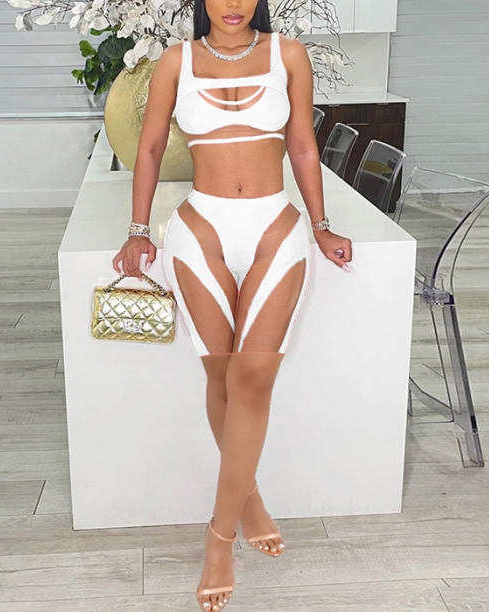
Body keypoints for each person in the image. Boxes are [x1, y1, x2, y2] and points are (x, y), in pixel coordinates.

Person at [113, 0, 352, 609]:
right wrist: (138, 230)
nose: (233, 5)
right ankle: (249, 500)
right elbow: (149, 147)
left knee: (253, 377)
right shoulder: (175, 62)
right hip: (200, 230)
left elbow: (302, 146)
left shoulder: (288, 55)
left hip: (276, 227)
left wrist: (321, 224)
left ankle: (218, 538)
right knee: (220, 376)